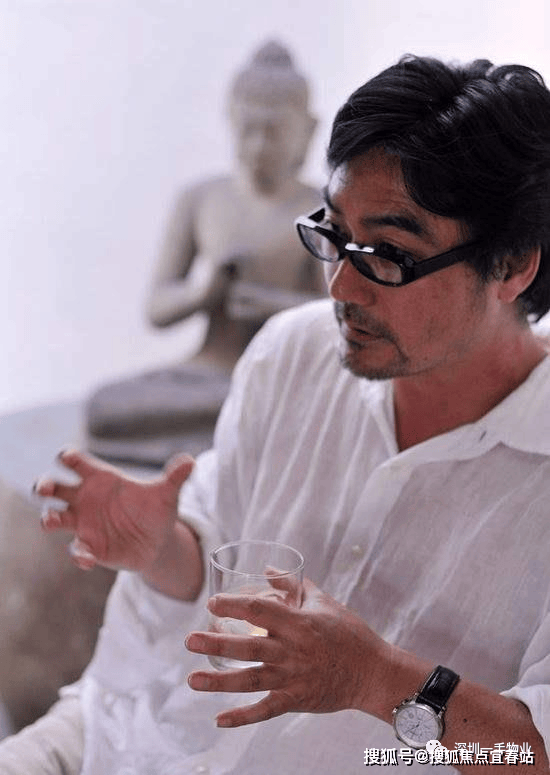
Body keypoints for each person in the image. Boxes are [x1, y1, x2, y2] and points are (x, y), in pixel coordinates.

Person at [3, 53, 550, 773]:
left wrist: (377, 681)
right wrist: (162, 547)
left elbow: (536, 751)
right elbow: (217, 545)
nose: (340, 286)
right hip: (133, 737)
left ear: (512, 264)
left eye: (388, 253)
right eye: (332, 233)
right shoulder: (295, 351)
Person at [85, 39, 323, 466]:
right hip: (206, 374)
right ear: (231, 121)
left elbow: (338, 317)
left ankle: (222, 445)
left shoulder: (321, 209)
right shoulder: (201, 198)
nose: (258, 145)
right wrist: (203, 292)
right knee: (104, 408)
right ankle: (219, 446)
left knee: (287, 411)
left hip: (278, 378)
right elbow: (157, 309)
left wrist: (269, 305)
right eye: (248, 130)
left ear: (306, 131)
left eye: (274, 132)